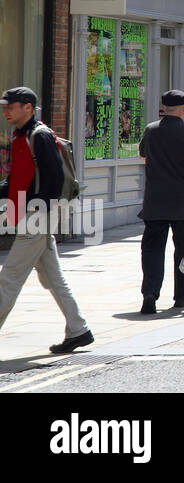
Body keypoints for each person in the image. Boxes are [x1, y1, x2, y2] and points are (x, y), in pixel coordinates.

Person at [0, 87, 94, 351]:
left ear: (28, 107)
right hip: (31, 215)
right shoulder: (22, 135)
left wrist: (39, 213)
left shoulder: (39, 136)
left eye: (11, 106)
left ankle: (78, 328)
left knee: (10, 277)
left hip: (36, 216)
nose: (6, 111)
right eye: (5, 106)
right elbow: (18, 179)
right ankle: (78, 329)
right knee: (53, 277)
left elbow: (52, 180)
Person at [136, 88, 184, 314]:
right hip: (182, 200)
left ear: (163, 108)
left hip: (155, 199)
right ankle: (182, 296)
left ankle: (150, 293)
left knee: (152, 247)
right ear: (183, 109)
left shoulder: (151, 130)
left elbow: (143, 156)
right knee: (182, 247)